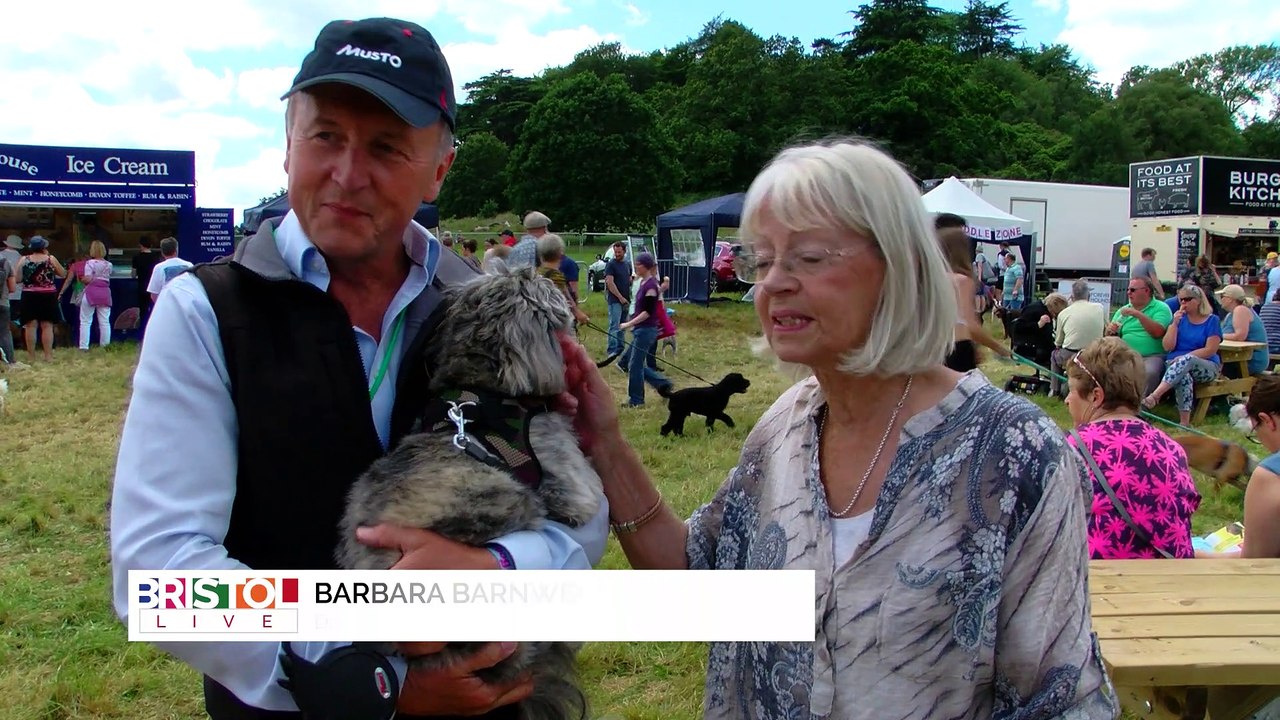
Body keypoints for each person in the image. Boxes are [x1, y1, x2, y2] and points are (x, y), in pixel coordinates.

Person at [109, 17, 607, 719]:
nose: (347, 174)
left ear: (440, 167)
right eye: (325, 137)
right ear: (288, 145)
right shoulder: (208, 312)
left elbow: (579, 524)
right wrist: (371, 671)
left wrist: (495, 570)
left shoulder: (488, 311)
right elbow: (156, 576)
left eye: (385, 147)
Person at [560, 138, 1117, 718]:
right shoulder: (783, 429)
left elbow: (1059, 698)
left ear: (897, 265)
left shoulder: (1013, 450)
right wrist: (606, 442)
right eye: (764, 258)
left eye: (809, 255)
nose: (772, 282)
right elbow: (695, 579)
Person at [1064, 338, 1200, 559]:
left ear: (1095, 396)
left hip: (1098, 581)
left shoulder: (1068, 450)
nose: (1067, 400)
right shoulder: (1172, 449)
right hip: (1171, 580)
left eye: (1072, 390)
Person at [1143, 284, 1222, 425]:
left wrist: (1186, 357)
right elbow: (1167, 346)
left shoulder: (1212, 320)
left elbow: (1210, 349)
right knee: (1183, 375)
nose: (1183, 303)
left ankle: (1155, 396)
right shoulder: (1180, 320)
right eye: (1181, 300)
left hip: (1205, 365)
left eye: (1187, 299)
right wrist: (1174, 324)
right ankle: (1184, 423)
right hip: (1176, 366)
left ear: (1198, 301)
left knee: (1188, 360)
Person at [936, 226, 1009, 370]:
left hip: (935, 349)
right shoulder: (962, 281)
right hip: (957, 349)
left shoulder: (933, 279)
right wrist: (999, 348)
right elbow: (970, 324)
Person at [616, 252, 673, 407]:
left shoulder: (651, 287)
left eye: (638, 264)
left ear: (646, 266)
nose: (636, 267)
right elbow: (639, 306)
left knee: (634, 365)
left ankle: (636, 400)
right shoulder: (642, 283)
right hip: (640, 329)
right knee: (632, 363)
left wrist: (628, 324)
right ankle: (663, 383)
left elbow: (647, 312)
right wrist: (631, 319)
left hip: (646, 330)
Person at [1106, 276, 1171, 397]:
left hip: (1152, 356)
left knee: (1149, 372)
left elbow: (1157, 333)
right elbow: (1112, 338)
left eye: (1133, 290)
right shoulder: (1123, 311)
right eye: (1128, 289)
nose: (1128, 292)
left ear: (1146, 291)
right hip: (1126, 355)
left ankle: (1141, 407)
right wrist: (1111, 331)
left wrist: (1138, 315)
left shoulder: (1161, 308)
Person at [1239, 374, 1280, 558]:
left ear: (1267, 420)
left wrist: (1195, 554)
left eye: (1256, 430)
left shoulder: (1270, 476)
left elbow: (1254, 563)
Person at [1049, 280, 1106, 397]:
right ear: (1088, 295)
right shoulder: (1100, 308)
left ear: (1072, 296)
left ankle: (1055, 390)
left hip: (1071, 354)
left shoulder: (1064, 313)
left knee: (1054, 356)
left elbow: (1058, 342)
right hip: (1094, 353)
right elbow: (1105, 329)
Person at [18, 235, 66, 363]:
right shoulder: (51, 259)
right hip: (48, 295)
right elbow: (63, 273)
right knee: (47, 325)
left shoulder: (24, 259)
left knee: (30, 326)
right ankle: (48, 356)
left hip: (29, 295)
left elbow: (17, 278)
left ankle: (31, 356)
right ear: (44, 247)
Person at [536, 233, 588, 327]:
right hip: (557, 322)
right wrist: (578, 313)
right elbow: (566, 298)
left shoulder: (537, 273)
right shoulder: (556, 276)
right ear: (560, 252)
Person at [1217, 284, 1268, 377]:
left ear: (1230, 299)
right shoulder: (1230, 314)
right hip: (1237, 356)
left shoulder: (1240, 310)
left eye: (1222, 297)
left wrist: (1216, 335)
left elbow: (1240, 336)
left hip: (1250, 359)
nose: (1220, 300)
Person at [76, 240, 114, 350]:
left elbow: (87, 278)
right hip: (105, 292)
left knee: (85, 320)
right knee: (104, 321)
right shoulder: (109, 264)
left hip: (91, 292)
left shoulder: (89, 263)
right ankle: (105, 345)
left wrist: (82, 279)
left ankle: (84, 346)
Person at [602, 241, 631, 360]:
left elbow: (628, 279)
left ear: (624, 251)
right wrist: (620, 297)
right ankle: (612, 349)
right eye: (616, 252)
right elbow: (610, 282)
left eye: (619, 252)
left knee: (622, 325)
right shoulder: (611, 265)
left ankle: (620, 347)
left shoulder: (627, 264)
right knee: (614, 324)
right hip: (615, 300)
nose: (617, 254)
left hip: (626, 299)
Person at [145, 237, 193, 302]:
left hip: (167, 307)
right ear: (176, 250)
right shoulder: (189, 265)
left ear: (162, 253)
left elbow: (154, 294)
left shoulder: (158, 268)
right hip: (187, 306)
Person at [132, 235, 160, 333]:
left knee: (143, 310)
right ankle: (154, 331)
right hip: (153, 287)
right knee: (154, 309)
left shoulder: (136, 257)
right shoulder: (156, 257)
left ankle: (143, 331)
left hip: (141, 286)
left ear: (140, 245)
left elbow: (133, 274)